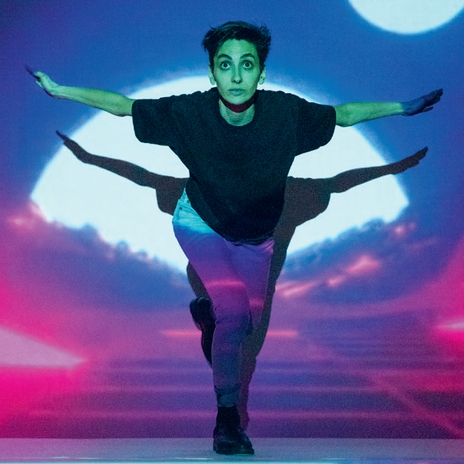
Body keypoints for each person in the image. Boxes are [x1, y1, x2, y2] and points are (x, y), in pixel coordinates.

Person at [32, 21, 441, 455]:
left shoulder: (286, 114)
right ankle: (227, 419)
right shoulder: (189, 113)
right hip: (200, 224)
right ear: (212, 73)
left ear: (261, 73)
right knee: (233, 314)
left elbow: (345, 117)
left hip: (258, 238)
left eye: (247, 65)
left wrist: (403, 108)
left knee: (245, 325)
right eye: (225, 65)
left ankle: (208, 318)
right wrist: (62, 92)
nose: (237, 75)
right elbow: (123, 109)